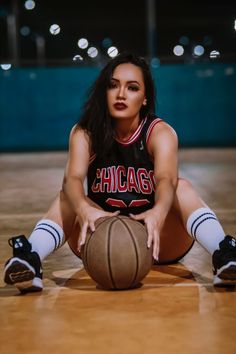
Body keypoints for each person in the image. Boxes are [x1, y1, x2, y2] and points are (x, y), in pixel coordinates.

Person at [4, 52, 236, 293]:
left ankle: (224, 254)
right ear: (104, 92)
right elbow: (72, 179)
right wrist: (84, 209)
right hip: (100, 232)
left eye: (132, 88)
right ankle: (31, 259)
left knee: (182, 186)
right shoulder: (85, 132)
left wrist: (158, 212)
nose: (121, 94)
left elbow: (166, 179)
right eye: (113, 85)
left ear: (145, 98)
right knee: (67, 196)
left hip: (158, 237)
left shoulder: (160, 133)